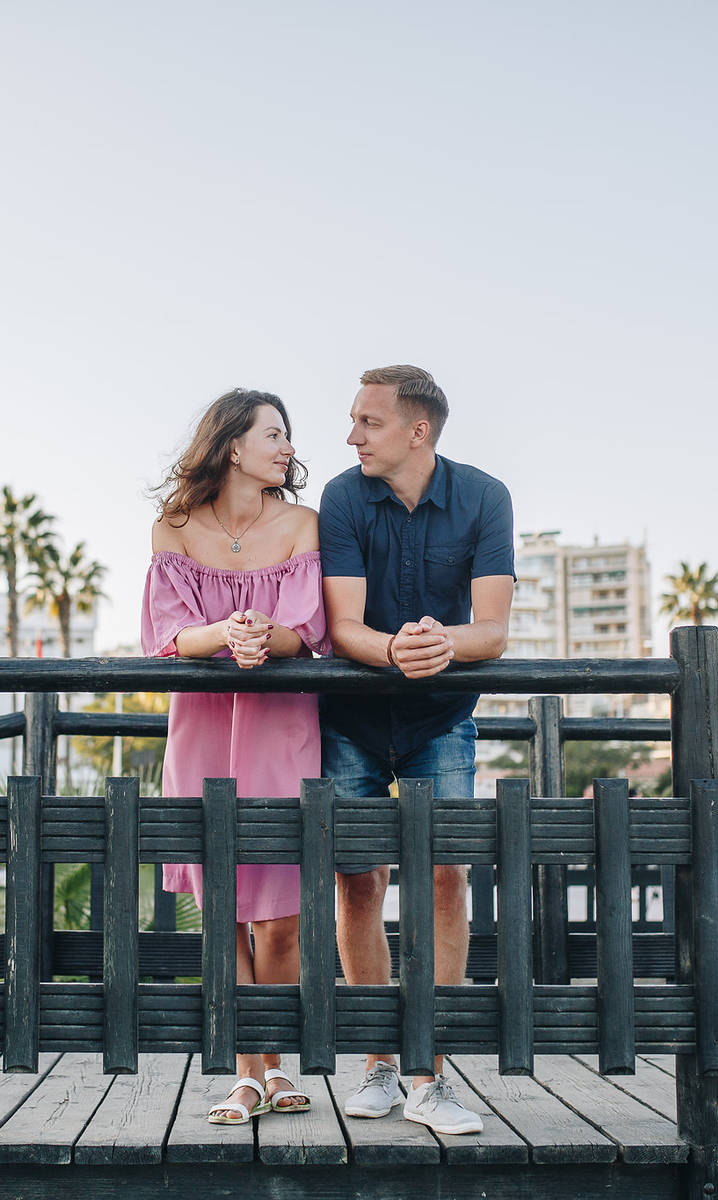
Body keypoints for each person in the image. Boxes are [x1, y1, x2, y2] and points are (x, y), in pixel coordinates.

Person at [319, 364, 513, 1135]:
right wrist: (397, 649)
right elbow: (342, 627)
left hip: (442, 714)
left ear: (417, 430)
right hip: (350, 715)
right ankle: (377, 1066)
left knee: (444, 877)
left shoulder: (484, 496)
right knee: (359, 883)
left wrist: (442, 642)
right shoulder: (340, 496)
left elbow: (492, 632)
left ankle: (431, 1075)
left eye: (368, 421)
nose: (352, 434)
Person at [142, 388, 330, 1125]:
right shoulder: (174, 527)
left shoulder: (303, 523)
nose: (287, 447)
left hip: (282, 721)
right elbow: (168, 633)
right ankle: (252, 1076)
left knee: (280, 913)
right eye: (273, 434)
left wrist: (261, 636)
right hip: (203, 726)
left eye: (287, 436)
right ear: (232, 447)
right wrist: (226, 631)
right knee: (220, 909)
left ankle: (274, 1065)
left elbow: (309, 627)